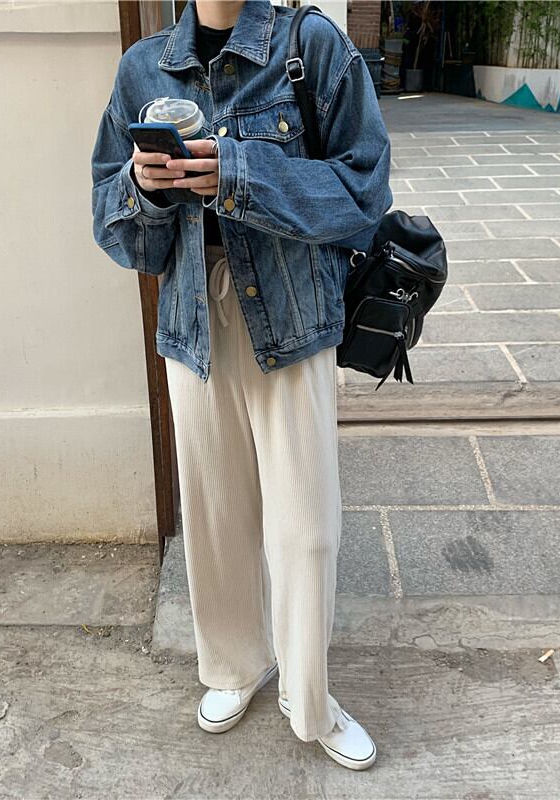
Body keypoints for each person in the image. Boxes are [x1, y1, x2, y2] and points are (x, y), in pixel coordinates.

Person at [91, 0, 392, 771]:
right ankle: (234, 666)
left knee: (306, 529)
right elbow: (113, 225)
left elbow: (364, 190)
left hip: (293, 310)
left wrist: (240, 173)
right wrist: (145, 188)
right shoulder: (143, 69)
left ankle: (309, 696)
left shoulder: (308, 46)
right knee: (216, 516)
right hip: (193, 314)